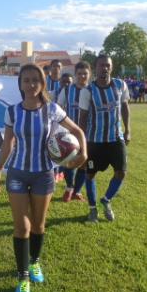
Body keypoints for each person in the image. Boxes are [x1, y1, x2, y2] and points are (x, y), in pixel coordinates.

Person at [0, 64, 87, 292]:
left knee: (38, 225)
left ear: (43, 83)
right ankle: (23, 278)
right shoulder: (12, 112)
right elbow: (8, 144)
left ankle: (34, 262)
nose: (31, 84)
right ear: (20, 84)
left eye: (35, 80)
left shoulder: (52, 110)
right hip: (18, 174)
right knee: (21, 227)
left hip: (44, 174)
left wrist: (82, 153)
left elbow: (78, 131)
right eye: (26, 80)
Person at [78, 55, 131, 223]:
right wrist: (82, 144)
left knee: (121, 172)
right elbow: (83, 118)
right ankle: (93, 209)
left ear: (111, 67)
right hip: (94, 141)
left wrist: (128, 130)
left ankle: (106, 201)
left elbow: (125, 107)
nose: (104, 68)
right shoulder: (88, 91)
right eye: (101, 65)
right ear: (96, 68)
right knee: (90, 175)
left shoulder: (120, 85)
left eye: (107, 65)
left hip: (116, 138)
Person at [56, 61, 90, 202]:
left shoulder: (93, 90)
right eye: (79, 74)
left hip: (89, 132)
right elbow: (58, 107)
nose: (82, 76)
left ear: (89, 74)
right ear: (75, 75)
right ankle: (70, 187)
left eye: (85, 74)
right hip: (70, 132)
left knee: (84, 161)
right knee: (69, 160)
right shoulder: (67, 90)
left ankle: (77, 191)